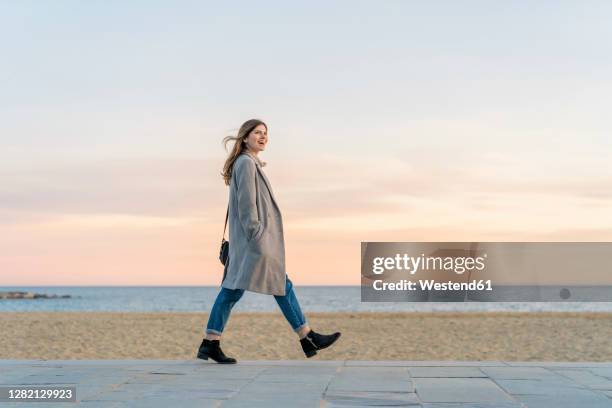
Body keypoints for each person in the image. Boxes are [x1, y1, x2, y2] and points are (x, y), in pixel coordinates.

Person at [197, 119, 341, 364]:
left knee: (234, 290)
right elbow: (246, 205)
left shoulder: (250, 163)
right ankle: (307, 337)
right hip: (255, 243)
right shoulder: (245, 163)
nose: (263, 137)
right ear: (245, 137)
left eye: (265, 133)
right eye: (257, 133)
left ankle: (210, 343)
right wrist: (258, 236)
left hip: (250, 243)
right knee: (280, 285)